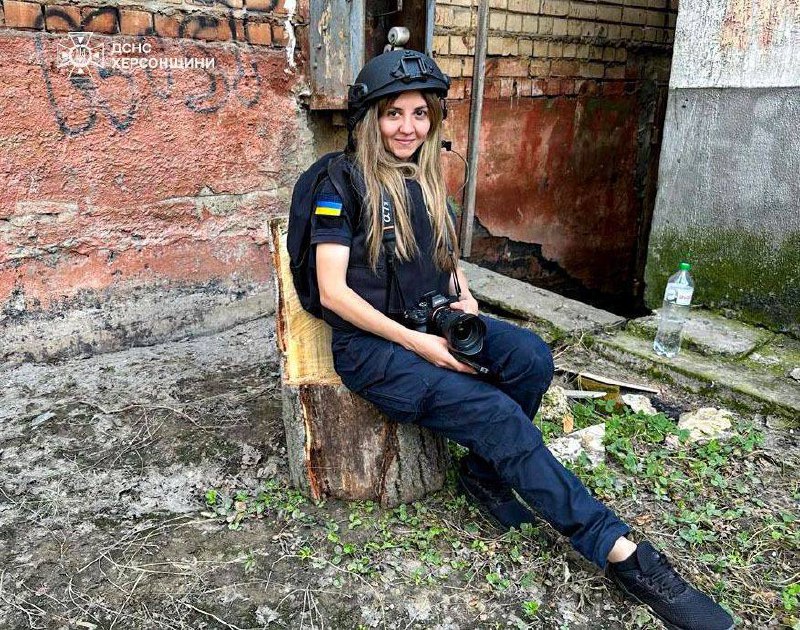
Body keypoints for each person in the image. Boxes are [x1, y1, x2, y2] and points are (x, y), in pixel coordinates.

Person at [309, 49, 734, 630]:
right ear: (368, 119)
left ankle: (484, 474)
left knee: (532, 359)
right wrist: (416, 344)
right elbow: (332, 293)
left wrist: (462, 296)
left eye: (420, 113)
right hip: (373, 346)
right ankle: (625, 555)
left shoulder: (422, 176)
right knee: (495, 414)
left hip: (429, 320)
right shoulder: (338, 182)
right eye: (393, 114)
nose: (408, 128)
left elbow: (442, 256)